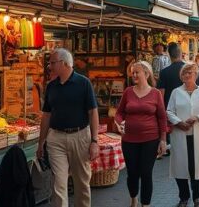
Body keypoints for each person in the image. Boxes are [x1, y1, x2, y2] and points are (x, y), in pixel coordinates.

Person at [36, 48, 100, 207]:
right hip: (56, 138)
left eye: (52, 63)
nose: (49, 66)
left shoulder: (83, 83)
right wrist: (41, 142)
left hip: (80, 136)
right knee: (58, 183)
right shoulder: (51, 86)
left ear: (64, 63)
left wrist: (94, 141)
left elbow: (93, 112)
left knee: (82, 182)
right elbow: (46, 116)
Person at [115, 61, 167, 207]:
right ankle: (133, 199)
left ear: (147, 73)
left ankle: (146, 204)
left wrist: (163, 140)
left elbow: (162, 117)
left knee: (146, 173)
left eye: (137, 72)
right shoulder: (128, 92)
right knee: (132, 173)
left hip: (150, 139)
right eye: (133, 73)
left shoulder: (156, 94)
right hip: (129, 140)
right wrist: (120, 123)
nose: (134, 75)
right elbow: (119, 113)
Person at [167, 63, 199, 207]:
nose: (187, 75)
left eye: (190, 73)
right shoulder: (176, 92)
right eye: (184, 73)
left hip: (197, 135)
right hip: (180, 134)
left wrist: (197, 118)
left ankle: (197, 198)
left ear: (196, 74)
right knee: (180, 167)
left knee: (196, 168)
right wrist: (179, 122)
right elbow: (169, 111)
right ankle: (183, 197)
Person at [158, 42, 186, 156]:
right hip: (186, 107)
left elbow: (161, 94)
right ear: (181, 54)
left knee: (172, 134)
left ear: (169, 55)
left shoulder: (164, 72)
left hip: (169, 109)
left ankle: (170, 148)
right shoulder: (189, 70)